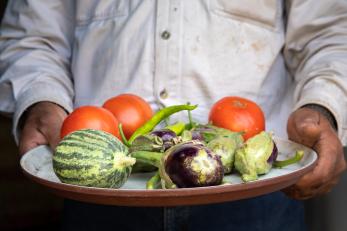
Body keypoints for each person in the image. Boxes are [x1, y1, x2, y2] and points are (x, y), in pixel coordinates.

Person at [0, 1, 346, 230]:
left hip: (254, 193)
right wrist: (39, 98)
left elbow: (331, 31)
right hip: (101, 191)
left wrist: (323, 106)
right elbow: (32, 37)